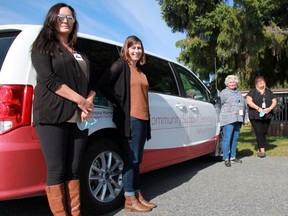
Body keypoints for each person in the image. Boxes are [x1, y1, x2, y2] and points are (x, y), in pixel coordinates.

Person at [31, 3, 96, 215]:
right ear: (52, 19)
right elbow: (49, 80)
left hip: (78, 116)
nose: (65, 20)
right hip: (52, 114)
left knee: (74, 169)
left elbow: (92, 84)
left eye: (70, 17)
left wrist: (89, 101)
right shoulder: (43, 46)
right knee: (57, 169)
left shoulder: (80, 53)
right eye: (61, 16)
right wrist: (81, 101)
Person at [99, 36, 156, 212]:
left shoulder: (139, 71)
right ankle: (129, 199)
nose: (136, 51)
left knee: (137, 160)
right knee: (131, 159)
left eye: (139, 48)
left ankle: (138, 194)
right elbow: (103, 83)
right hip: (130, 118)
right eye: (133, 48)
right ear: (126, 49)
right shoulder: (121, 65)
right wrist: (118, 102)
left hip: (143, 119)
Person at [215, 75, 248, 167]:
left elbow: (244, 107)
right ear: (227, 83)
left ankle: (233, 156)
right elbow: (218, 106)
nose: (232, 83)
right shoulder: (224, 92)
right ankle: (226, 158)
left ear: (236, 83)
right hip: (227, 119)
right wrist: (218, 119)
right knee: (227, 138)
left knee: (235, 138)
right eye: (230, 82)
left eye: (234, 82)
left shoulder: (239, 93)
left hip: (238, 119)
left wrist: (245, 119)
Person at [246, 75, 277, 158]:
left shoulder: (269, 92)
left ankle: (261, 146)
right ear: (256, 83)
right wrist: (258, 108)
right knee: (259, 131)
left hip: (267, 115)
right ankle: (262, 151)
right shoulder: (252, 92)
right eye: (259, 81)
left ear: (265, 82)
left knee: (264, 131)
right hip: (255, 115)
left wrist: (270, 108)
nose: (260, 82)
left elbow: (274, 101)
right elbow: (249, 101)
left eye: (262, 81)